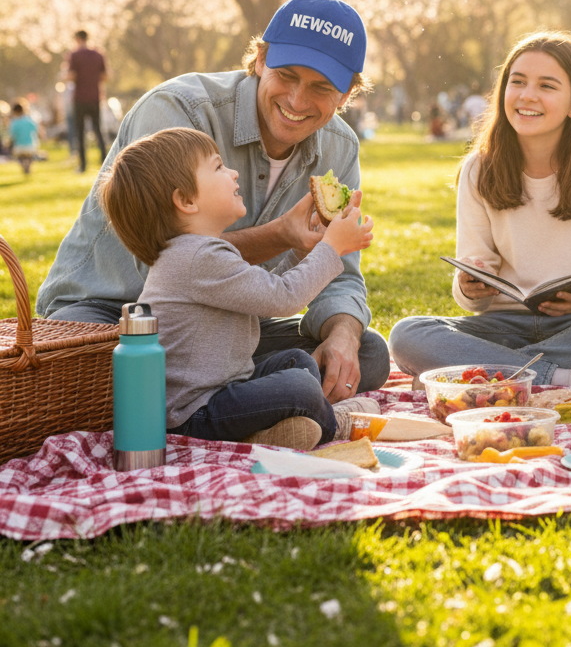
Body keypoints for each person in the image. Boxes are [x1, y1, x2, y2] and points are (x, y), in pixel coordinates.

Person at [37, 0, 390, 400]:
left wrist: (342, 334)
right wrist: (281, 235)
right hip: (113, 311)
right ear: (261, 59)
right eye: (286, 75)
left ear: (346, 95)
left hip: (227, 326)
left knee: (366, 352)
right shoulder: (180, 111)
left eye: (321, 87)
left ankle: (220, 398)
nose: (296, 100)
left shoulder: (340, 148)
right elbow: (161, 261)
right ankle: (236, 398)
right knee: (92, 373)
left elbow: (339, 271)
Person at [388, 31, 571, 392]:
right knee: (407, 335)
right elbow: (472, 289)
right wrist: (470, 288)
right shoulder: (478, 168)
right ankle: (564, 378)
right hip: (503, 326)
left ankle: (492, 371)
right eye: (517, 82)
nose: (527, 95)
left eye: (546, 86)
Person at [98, 127, 378, 450]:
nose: (232, 173)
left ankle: (267, 434)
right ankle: (336, 424)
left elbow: (263, 294)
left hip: (222, 392)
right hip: (193, 414)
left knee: (298, 362)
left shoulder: (197, 252)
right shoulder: (198, 257)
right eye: (218, 167)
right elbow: (284, 298)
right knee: (299, 384)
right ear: (186, 200)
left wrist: (303, 252)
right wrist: (332, 246)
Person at [67, 29, 109, 173]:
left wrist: (64, 77)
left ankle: (83, 165)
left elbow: (71, 76)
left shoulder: (74, 55)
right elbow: (106, 76)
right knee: (98, 129)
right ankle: (105, 160)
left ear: (77, 39)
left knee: (80, 132)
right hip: (95, 97)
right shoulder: (98, 54)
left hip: (79, 98)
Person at [9, 103, 39, 176]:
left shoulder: (14, 122)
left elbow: (12, 135)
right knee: (29, 157)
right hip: (30, 145)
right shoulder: (29, 120)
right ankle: (28, 165)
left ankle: (24, 166)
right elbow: (35, 129)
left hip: (19, 146)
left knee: (20, 157)